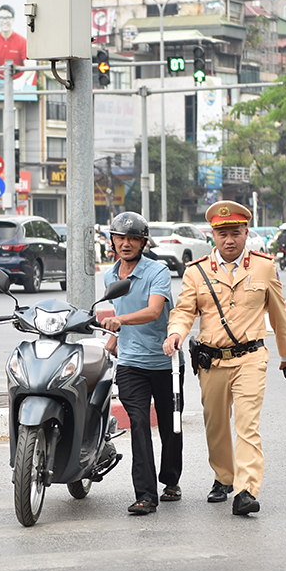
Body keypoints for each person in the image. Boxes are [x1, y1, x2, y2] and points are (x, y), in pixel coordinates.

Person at [163, 200, 286, 516]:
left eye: (235, 232)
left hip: (251, 358)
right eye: (222, 234)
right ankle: (224, 477)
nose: (229, 240)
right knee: (216, 425)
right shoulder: (196, 273)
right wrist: (176, 333)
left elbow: (278, 316)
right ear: (213, 235)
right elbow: (184, 310)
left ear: (246, 232)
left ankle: (245, 490)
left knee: (247, 425)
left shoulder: (264, 266)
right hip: (212, 362)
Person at [103, 212, 180, 516]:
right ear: (112, 240)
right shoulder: (110, 276)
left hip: (165, 361)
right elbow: (118, 315)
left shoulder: (157, 271)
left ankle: (171, 480)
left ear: (143, 243)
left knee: (170, 425)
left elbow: (152, 311)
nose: (126, 243)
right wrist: (111, 342)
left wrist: (119, 320)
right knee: (138, 424)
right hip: (131, 363)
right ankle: (145, 495)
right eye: (120, 237)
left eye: (133, 238)